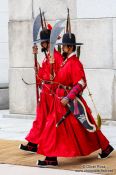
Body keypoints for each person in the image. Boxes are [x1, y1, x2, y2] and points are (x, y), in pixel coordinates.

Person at [36, 32, 114, 167]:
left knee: (82, 128)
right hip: (61, 101)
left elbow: (81, 83)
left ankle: (51, 158)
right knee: (67, 129)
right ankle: (105, 147)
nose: (62, 49)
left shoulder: (75, 63)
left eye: (64, 47)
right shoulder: (67, 62)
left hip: (70, 103)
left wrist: (68, 97)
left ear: (70, 48)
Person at [19, 28, 63, 153]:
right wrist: (38, 68)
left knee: (48, 121)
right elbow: (42, 76)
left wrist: (53, 77)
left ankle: (41, 145)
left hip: (52, 94)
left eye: (44, 42)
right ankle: (33, 143)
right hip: (45, 93)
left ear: (50, 42)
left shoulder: (57, 57)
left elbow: (61, 76)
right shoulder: (47, 57)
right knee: (40, 119)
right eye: (42, 42)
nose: (42, 44)